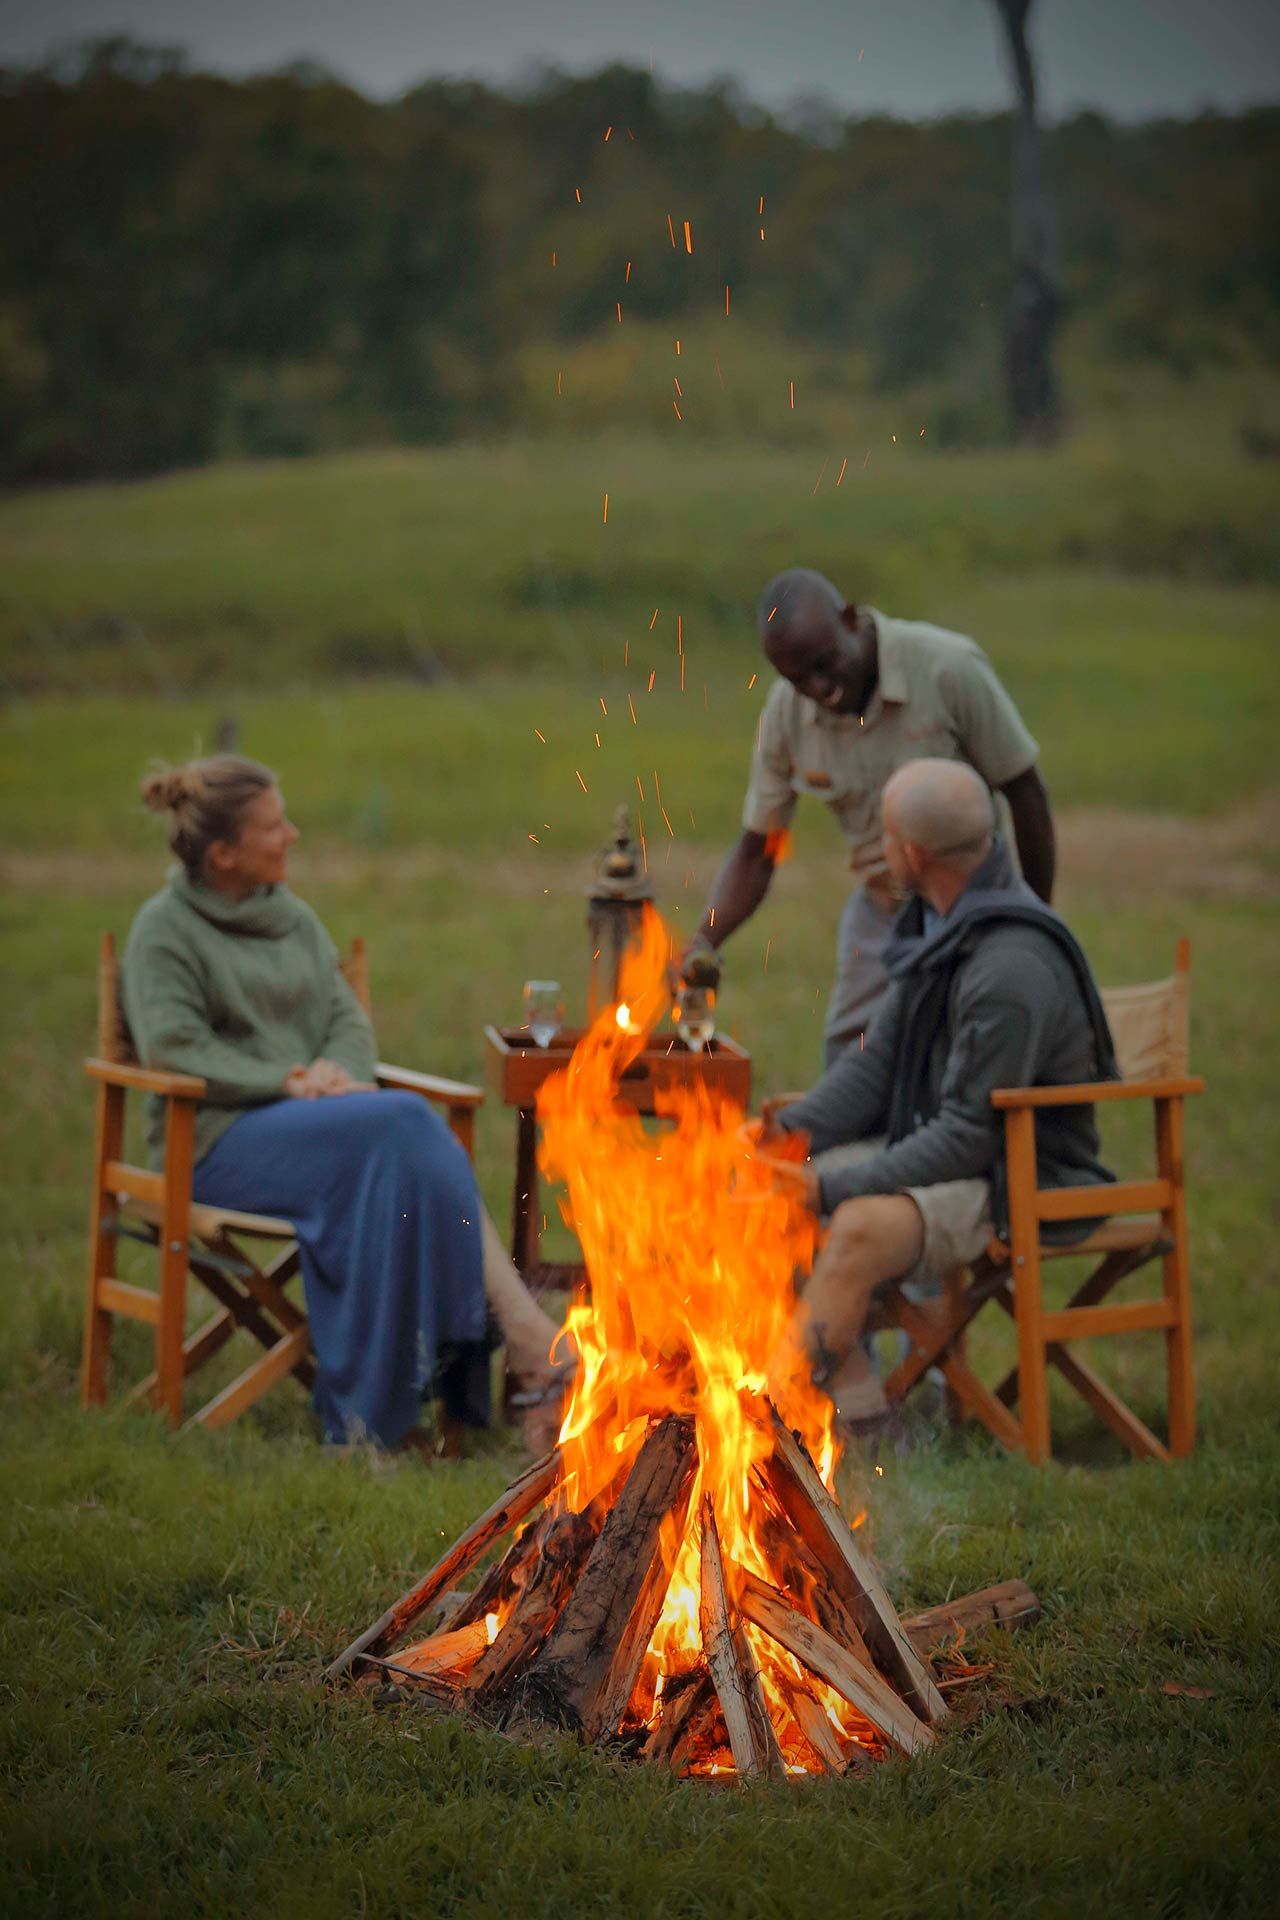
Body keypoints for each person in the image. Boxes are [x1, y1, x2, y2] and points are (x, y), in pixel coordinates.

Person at [122, 753, 569, 1453]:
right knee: (407, 1126)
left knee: (407, 1143)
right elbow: (174, 1049)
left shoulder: (291, 918)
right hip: (212, 1142)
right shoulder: (164, 931)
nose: (292, 835)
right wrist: (289, 1079)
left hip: (319, 1129)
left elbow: (346, 1022)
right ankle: (519, 1338)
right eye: (274, 827)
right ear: (223, 854)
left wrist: (337, 1072)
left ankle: (416, 1394)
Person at [758, 757, 1115, 1438]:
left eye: (884, 835)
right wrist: (785, 1137)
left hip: (1020, 1175)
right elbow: (875, 1067)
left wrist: (828, 1190)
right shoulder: (943, 925)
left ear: (911, 852)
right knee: (762, 1195)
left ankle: (767, 1422)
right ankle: (863, 1414)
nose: (878, 848)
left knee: (856, 1227)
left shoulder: (1008, 965)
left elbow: (969, 1136)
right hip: (964, 1155)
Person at [689, 569, 1056, 1067]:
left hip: (973, 904)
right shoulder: (785, 715)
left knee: (970, 1061)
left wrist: (1031, 922)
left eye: (825, 664)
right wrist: (702, 943)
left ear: (850, 618)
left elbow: (1025, 793)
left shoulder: (947, 669)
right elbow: (758, 850)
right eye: (798, 680)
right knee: (852, 1063)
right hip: (882, 907)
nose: (821, 690)